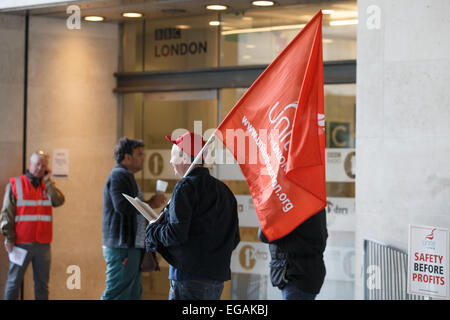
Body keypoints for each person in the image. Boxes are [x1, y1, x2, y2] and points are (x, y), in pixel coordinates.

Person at [145, 132, 240, 300]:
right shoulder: (225, 191)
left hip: (188, 279)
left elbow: (175, 234)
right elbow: (235, 239)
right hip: (216, 279)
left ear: (184, 158)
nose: (170, 161)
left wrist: (153, 229)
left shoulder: (185, 187)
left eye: (173, 155)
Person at [101, 137, 166, 300]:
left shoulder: (125, 176)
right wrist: (151, 203)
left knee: (132, 293)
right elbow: (122, 206)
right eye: (139, 154)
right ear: (127, 157)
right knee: (117, 292)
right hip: (123, 247)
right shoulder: (120, 175)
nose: (143, 158)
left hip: (129, 247)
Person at [1, 151, 65, 300]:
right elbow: (6, 214)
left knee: (42, 285)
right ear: (30, 164)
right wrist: (9, 239)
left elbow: (58, 201)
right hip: (20, 244)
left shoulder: (47, 186)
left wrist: (48, 180)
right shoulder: (15, 184)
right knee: (13, 283)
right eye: (37, 165)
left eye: (43, 166)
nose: (39, 168)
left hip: (43, 245)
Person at [258, 209, 328, 300]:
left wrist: (267, 211)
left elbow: (264, 235)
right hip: (308, 272)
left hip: (295, 274)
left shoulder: (289, 203)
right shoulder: (313, 203)